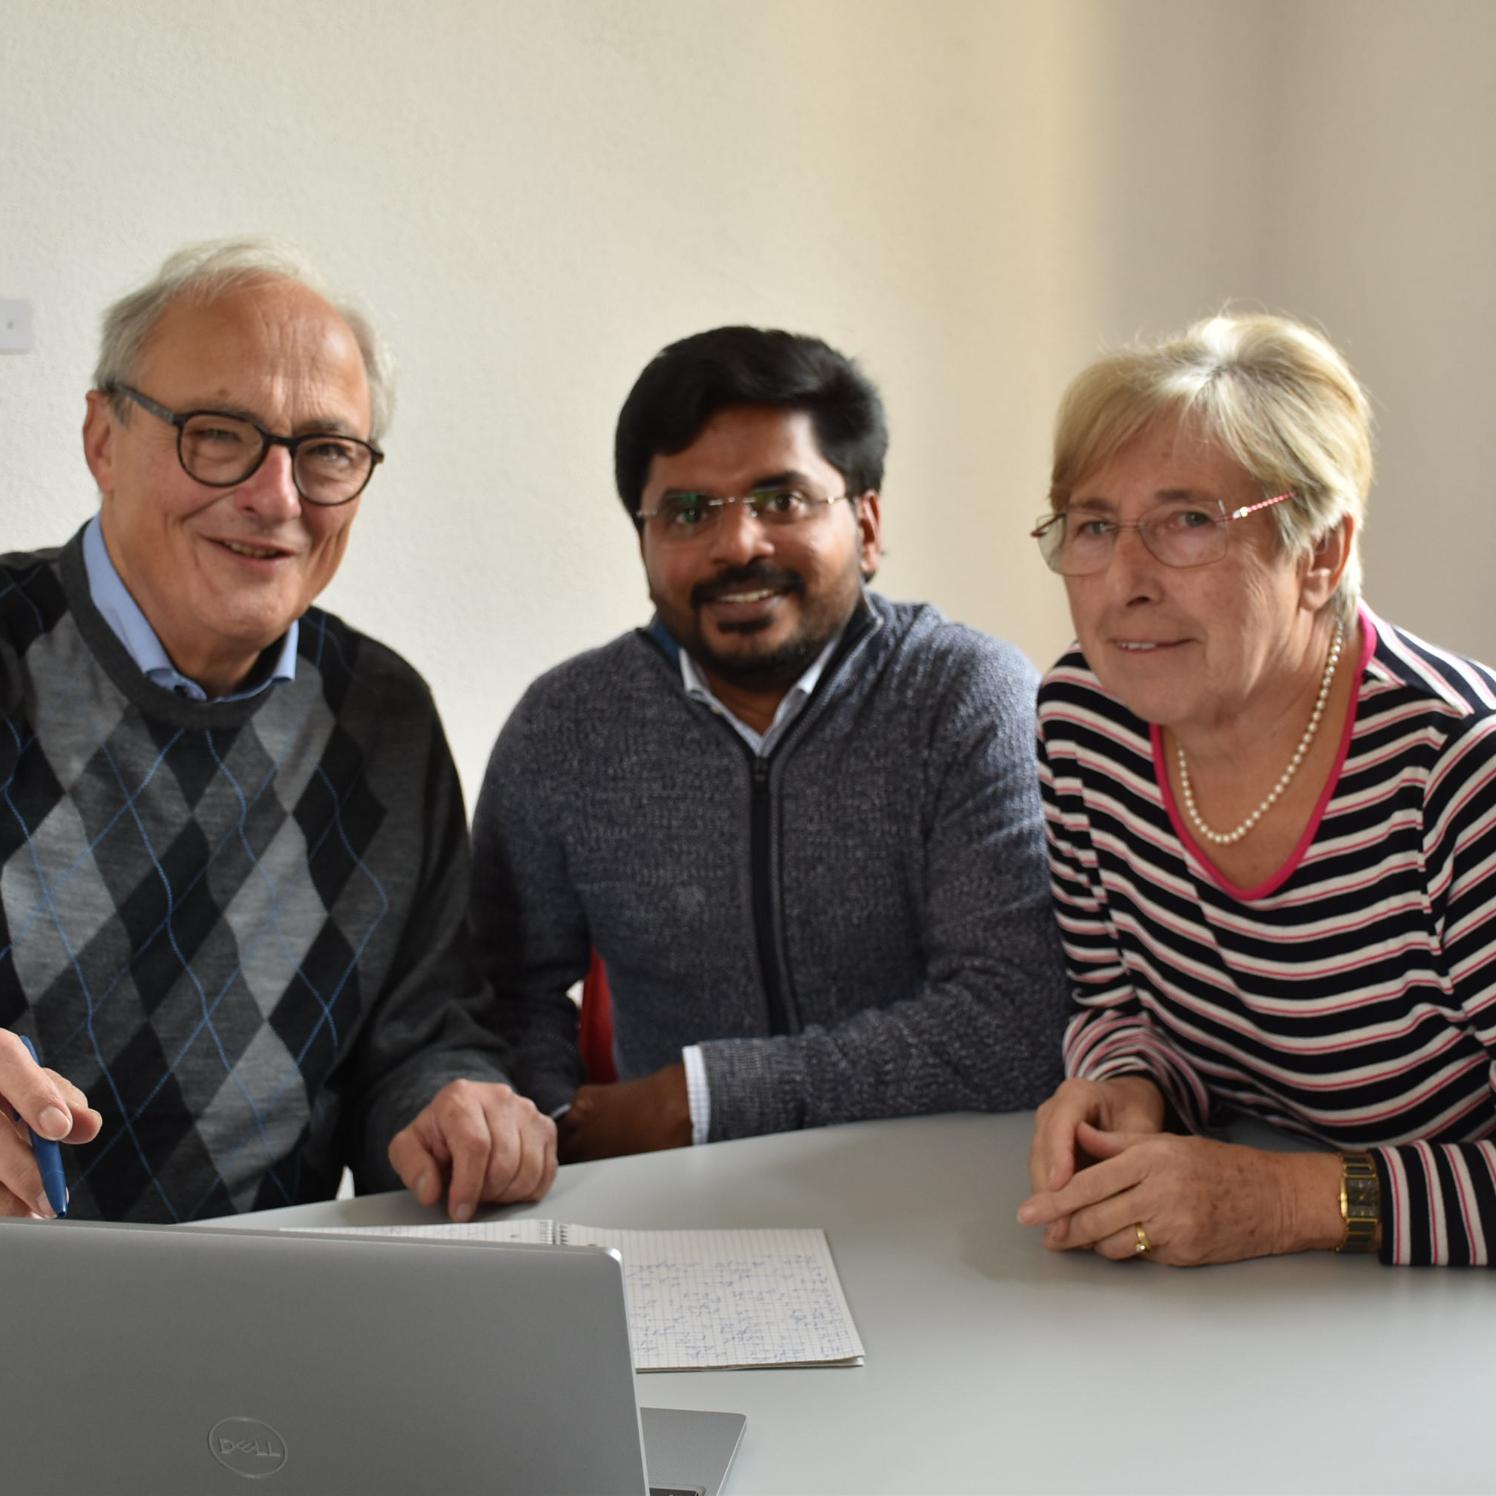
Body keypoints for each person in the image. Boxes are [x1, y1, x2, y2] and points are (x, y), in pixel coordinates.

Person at [0, 240, 555, 1223]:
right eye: (219, 434)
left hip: (266, 1314)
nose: (278, 496)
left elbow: (420, 1035)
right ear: (101, 438)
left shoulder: (384, 719)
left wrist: (454, 1108)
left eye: (327, 451)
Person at [470, 325, 1067, 1161]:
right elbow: (500, 996)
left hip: (944, 1198)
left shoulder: (966, 699)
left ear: (867, 522)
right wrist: (552, 1129)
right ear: (642, 540)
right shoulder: (563, 728)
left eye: (781, 501)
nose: (737, 544)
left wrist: (702, 1100)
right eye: (687, 512)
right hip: (666, 1207)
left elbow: (1017, 1020)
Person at [1017, 311, 1496, 1268]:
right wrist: (1125, 1088)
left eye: (1188, 521)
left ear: (1318, 554)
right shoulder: (1086, 719)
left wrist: (1287, 1202)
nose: (1126, 579)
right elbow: (1117, 1002)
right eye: (1094, 526)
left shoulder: (1460, 773)